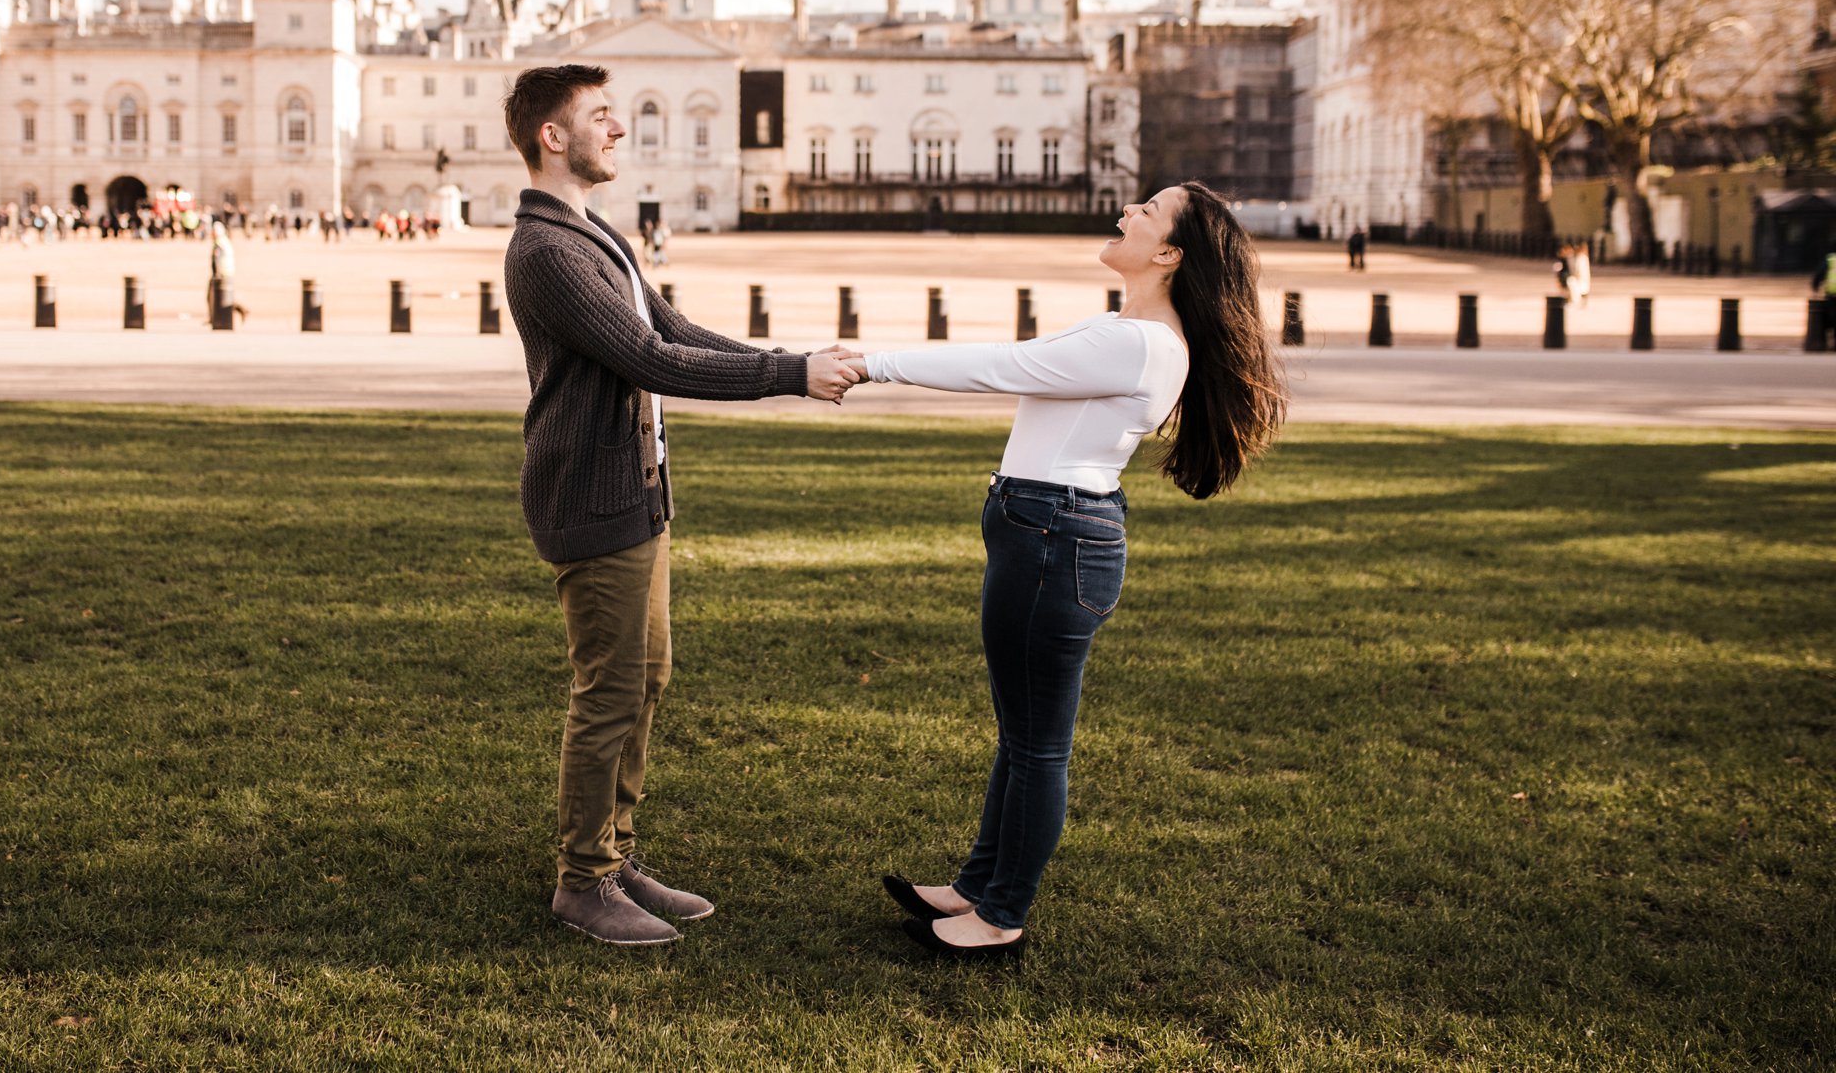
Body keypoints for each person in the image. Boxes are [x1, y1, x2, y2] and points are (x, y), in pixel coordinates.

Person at [857, 181, 1286, 958]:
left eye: (1147, 211)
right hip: (1046, 529)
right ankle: (977, 885)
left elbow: (1002, 365)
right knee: (1021, 734)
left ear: (1168, 253)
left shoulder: (1140, 342)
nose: (1126, 211)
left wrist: (871, 362)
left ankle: (999, 916)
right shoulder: (1126, 329)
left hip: (1054, 537)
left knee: (1038, 743)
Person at [502, 63, 859, 948]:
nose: (618, 130)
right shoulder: (547, 250)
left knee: (645, 679)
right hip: (590, 497)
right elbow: (650, 360)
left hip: (638, 493)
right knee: (609, 690)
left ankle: (615, 857)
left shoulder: (592, 234)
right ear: (553, 135)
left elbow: (676, 331)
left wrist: (788, 358)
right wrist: (789, 377)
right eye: (599, 117)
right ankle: (582, 881)